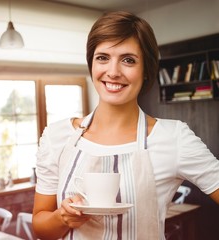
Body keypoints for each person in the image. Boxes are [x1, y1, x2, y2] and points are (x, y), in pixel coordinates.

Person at [32, 11, 219, 240]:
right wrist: (62, 217)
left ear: (146, 70)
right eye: (102, 57)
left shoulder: (173, 137)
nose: (113, 72)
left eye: (128, 60)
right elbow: (40, 226)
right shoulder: (57, 136)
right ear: (91, 63)